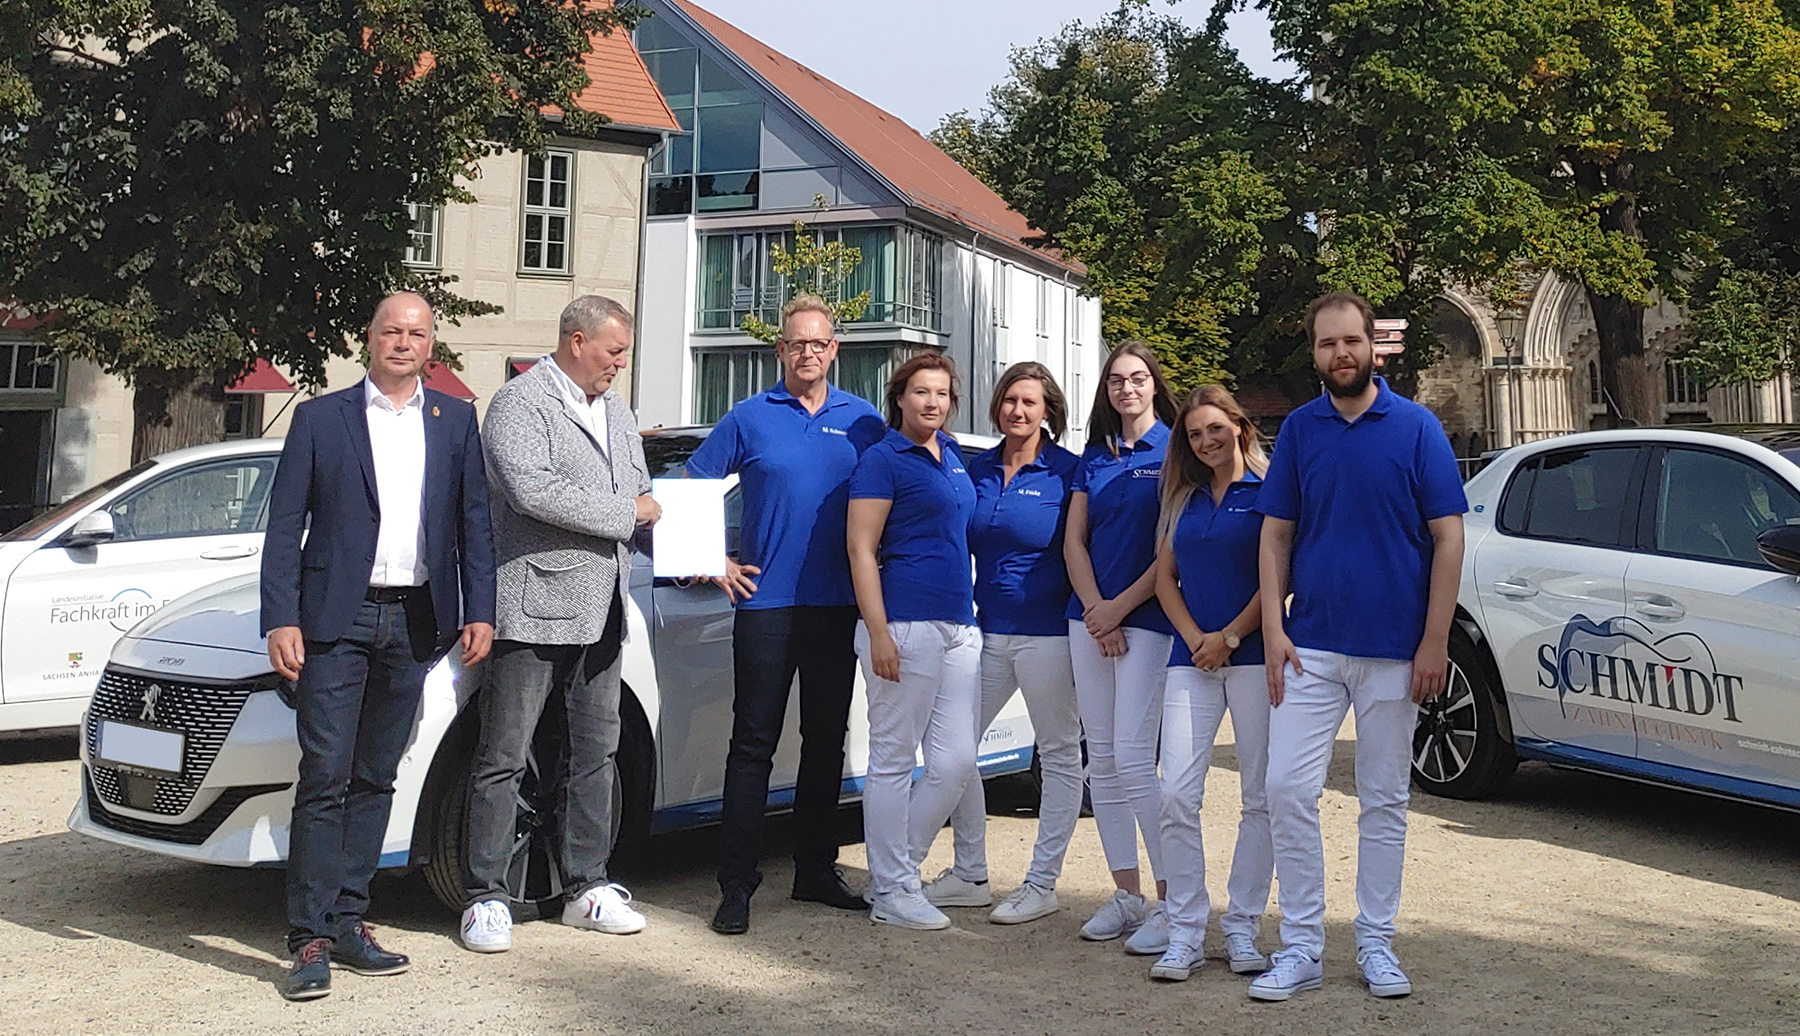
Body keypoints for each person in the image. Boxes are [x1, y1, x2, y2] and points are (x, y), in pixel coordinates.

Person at [261, 292, 496, 1001]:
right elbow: (285, 526)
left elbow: (474, 522)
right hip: (336, 620)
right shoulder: (320, 418)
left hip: (416, 621)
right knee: (324, 775)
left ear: (431, 344)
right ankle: (309, 937)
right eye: (391, 331)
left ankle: (350, 921)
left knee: (376, 777)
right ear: (369, 339)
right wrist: (280, 618)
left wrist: (480, 611)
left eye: (416, 333)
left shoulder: (454, 420)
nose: (403, 343)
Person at [1249, 290, 1467, 1001]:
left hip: (1395, 650)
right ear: (1314, 353)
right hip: (1311, 645)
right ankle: (1302, 947)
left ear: (1373, 346)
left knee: (1384, 800)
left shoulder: (1417, 428)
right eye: (1327, 343)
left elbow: (1449, 537)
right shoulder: (1300, 431)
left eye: (1350, 341)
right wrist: (1274, 629)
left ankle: (1376, 942)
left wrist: (1435, 641)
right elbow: (1276, 534)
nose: (1340, 354)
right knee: (1286, 789)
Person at [458, 295, 660, 953]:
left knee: (595, 752)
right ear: (576, 341)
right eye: (613, 351)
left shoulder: (619, 413)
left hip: (604, 611)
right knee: (504, 755)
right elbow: (533, 491)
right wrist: (629, 513)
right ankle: (485, 895)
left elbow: (644, 499)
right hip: (534, 607)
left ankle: (586, 887)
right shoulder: (519, 403)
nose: (620, 364)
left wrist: (685, 552)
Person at [686, 295, 887, 936]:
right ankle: (736, 885)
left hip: (836, 605)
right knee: (753, 744)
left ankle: (815, 871)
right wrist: (712, 560)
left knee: (826, 741)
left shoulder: (864, 421)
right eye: (796, 343)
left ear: (835, 350)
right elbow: (690, 489)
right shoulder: (748, 417)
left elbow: (894, 496)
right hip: (765, 604)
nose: (807, 353)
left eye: (818, 343)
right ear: (780, 350)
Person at [925, 362, 1083, 925]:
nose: (1018, 411)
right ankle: (970, 874)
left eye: (1030, 402)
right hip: (985, 630)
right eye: (1011, 400)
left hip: (1049, 636)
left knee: (1059, 755)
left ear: (1048, 411)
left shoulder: (1068, 472)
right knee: (955, 750)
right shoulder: (978, 468)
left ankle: (1042, 883)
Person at [846, 352, 980, 931]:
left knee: (956, 762)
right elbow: (861, 549)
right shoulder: (882, 459)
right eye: (921, 392)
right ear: (899, 398)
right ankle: (893, 890)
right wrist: (878, 632)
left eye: (942, 393)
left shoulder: (951, 453)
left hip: (958, 625)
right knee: (894, 762)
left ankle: (896, 871)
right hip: (903, 624)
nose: (933, 402)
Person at [1147, 385, 1273, 982]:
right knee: (1176, 793)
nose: (1206, 441)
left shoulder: (1269, 491)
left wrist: (1230, 636)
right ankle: (1186, 931)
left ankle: (1243, 926)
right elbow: (1164, 579)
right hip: (1190, 657)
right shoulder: (1183, 497)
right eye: (1195, 434)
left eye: (1215, 429)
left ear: (1239, 427)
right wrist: (1198, 637)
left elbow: (1280, 576)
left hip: (1253, 657)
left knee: (1260, 797)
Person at [1062, 340, 1180, 952]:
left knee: (1135, 757)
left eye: (1137, 379)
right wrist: (1095, 611)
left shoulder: (1176, 450)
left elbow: (1171, 551)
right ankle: (1128, 895)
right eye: (1116, 381)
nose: (1127, 389)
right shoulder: (1095, 456)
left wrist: (1118, 609)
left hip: (1148, 619)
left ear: (1154, 384)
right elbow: (1074, 542)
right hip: (1089, 621)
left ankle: (1173, 901)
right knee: (1102, 760)